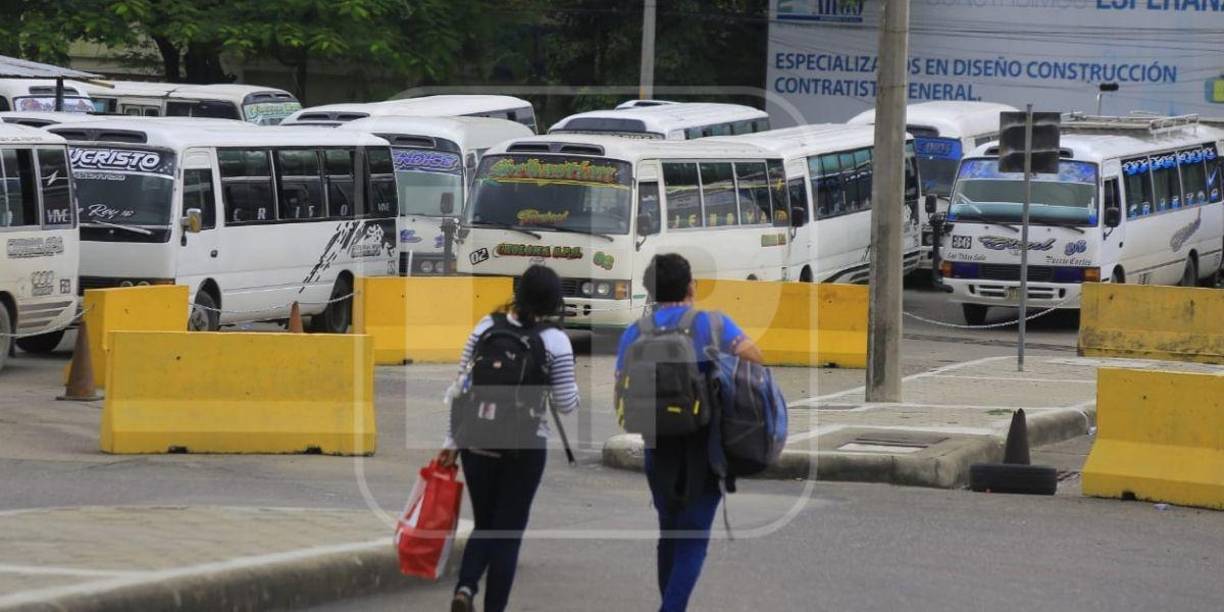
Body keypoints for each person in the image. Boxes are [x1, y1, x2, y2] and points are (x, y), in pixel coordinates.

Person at [614, 253, 763, 612]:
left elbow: (620, 386)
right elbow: (755, 358)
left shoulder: (635, 331)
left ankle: (669, 603)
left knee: (669, 531)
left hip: (657, 444)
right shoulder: (712, 324)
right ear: (691, 287)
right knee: (693, 538)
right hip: (705, 445)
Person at [436, 265, 579, 612]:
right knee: (508, 532)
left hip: (476, 442)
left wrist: (451, 443)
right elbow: (566, 404)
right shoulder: (555, 341)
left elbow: (461, 388)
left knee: (485, 524)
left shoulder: (486, 328)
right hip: (524, 448)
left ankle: (466, 587)